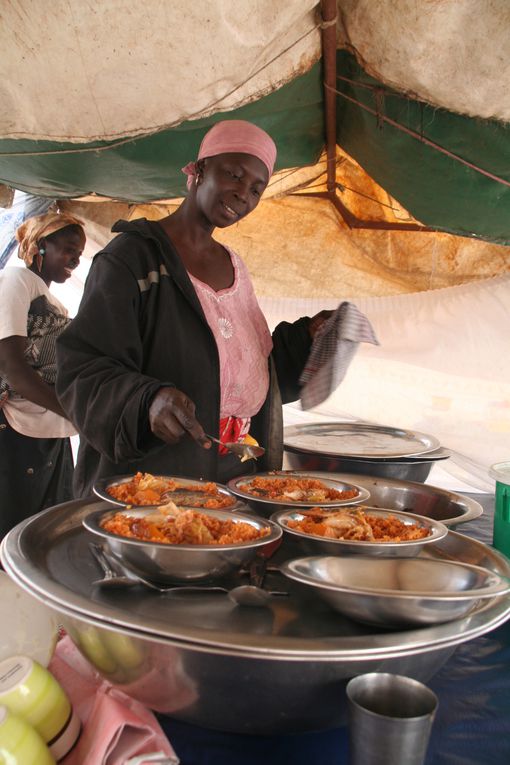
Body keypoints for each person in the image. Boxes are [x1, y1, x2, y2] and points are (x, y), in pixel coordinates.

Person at [55, 120, 329, 497]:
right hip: (153, 488)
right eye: (233, 174)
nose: (243, 194)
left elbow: (242, 367)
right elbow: (83, 369)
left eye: (256, 188)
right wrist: (147, 400)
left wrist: (307, 339)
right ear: (198, 170)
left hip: (234, 480)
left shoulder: (234, 266)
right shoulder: (132, 259)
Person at [0, 212, 86, 535]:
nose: (75, 260)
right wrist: (72, 410)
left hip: (49, 435)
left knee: (46, 533)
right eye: (68, 249)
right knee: (14, 537)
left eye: (78, 254)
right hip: (17, 435)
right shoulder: (15, 281)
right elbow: (11, 365)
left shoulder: (53, 302)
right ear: (40, 246)